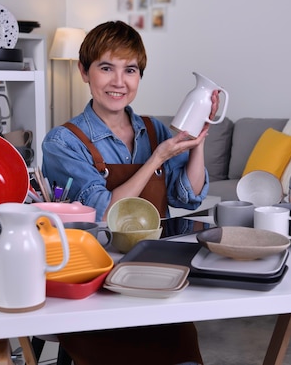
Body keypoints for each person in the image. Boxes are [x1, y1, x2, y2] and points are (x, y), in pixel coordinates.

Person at [41, 20, 218, 365]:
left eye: (130, 70)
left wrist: (199, 140)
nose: (119, 82)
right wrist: (157, 159)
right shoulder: (63, 142)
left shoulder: (155, 130)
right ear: (84, 72)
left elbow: (187, 195)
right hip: (96, 284)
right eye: (106, 68)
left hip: (157, 275)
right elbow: (105, 213)